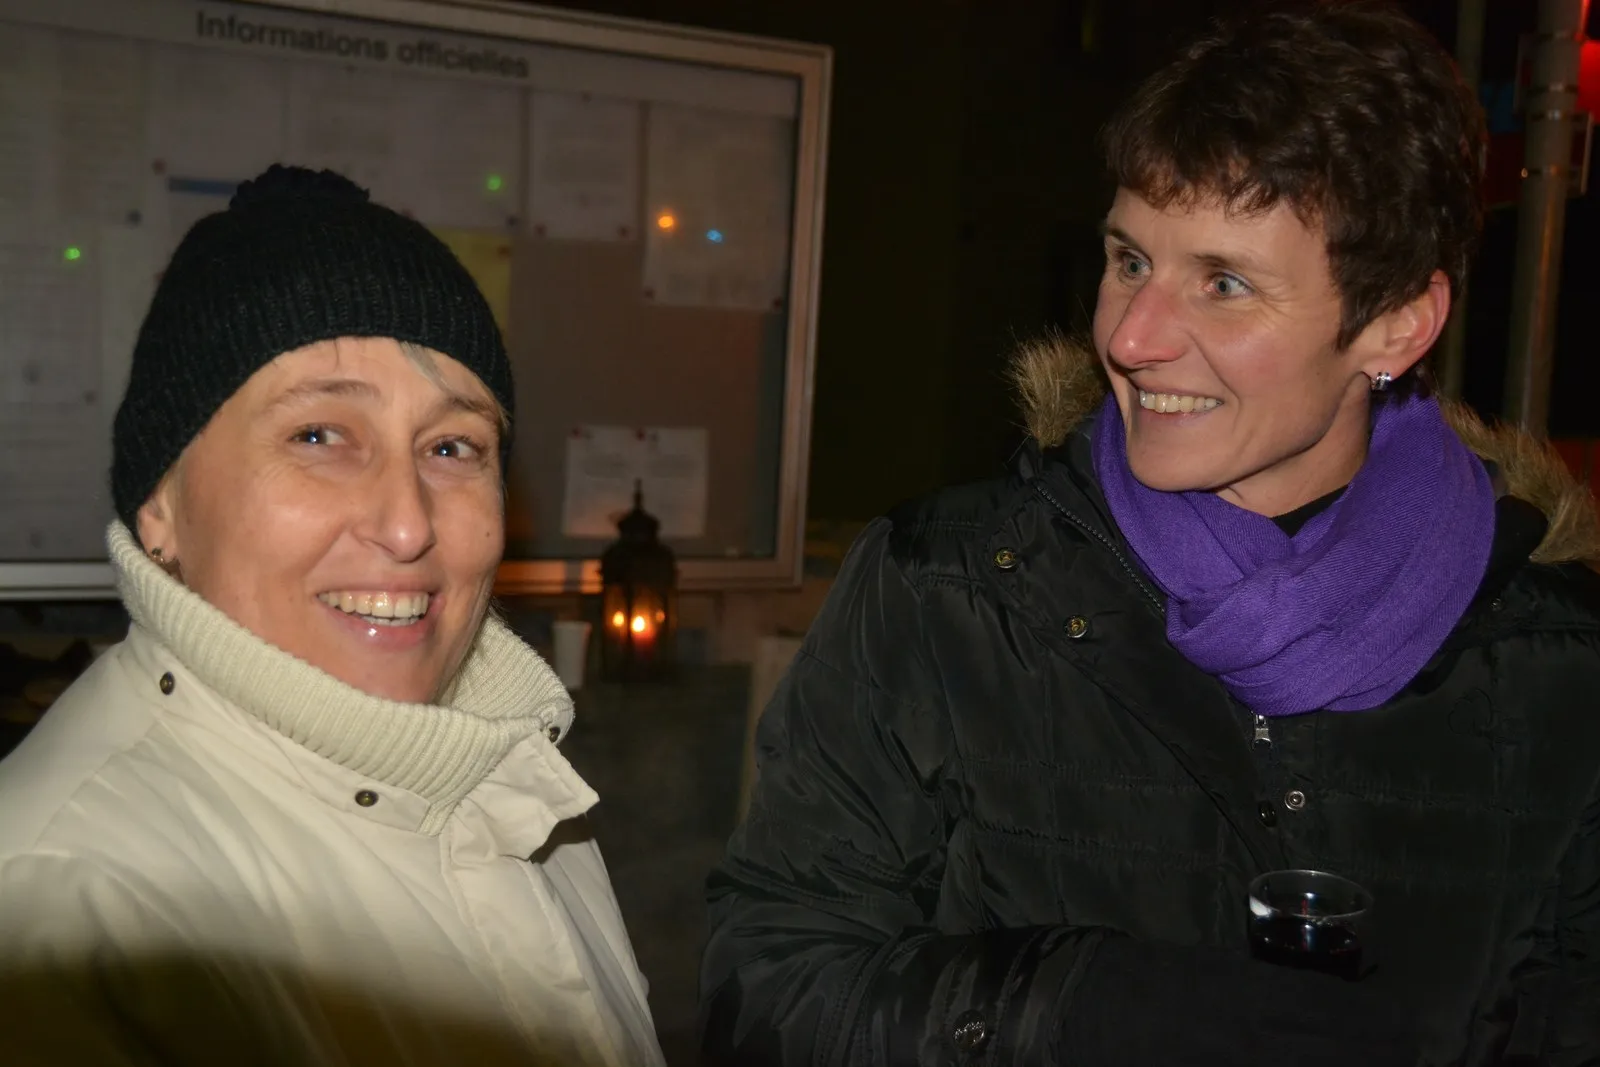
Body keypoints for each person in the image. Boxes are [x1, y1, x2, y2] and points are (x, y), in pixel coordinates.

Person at [700, 4, 1600, 1065]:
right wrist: (1070, 1002)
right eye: (1129, 260)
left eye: (1223, 283)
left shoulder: (1557, 662)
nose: (1131, 337)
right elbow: (768, 985)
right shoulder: (948, 590)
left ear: (1396, 324)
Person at [0, 165, 665, 1067]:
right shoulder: (63, 913)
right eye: (318, 435)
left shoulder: (519, 785)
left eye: (452, 446)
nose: (407, 523)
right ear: (159, 504)